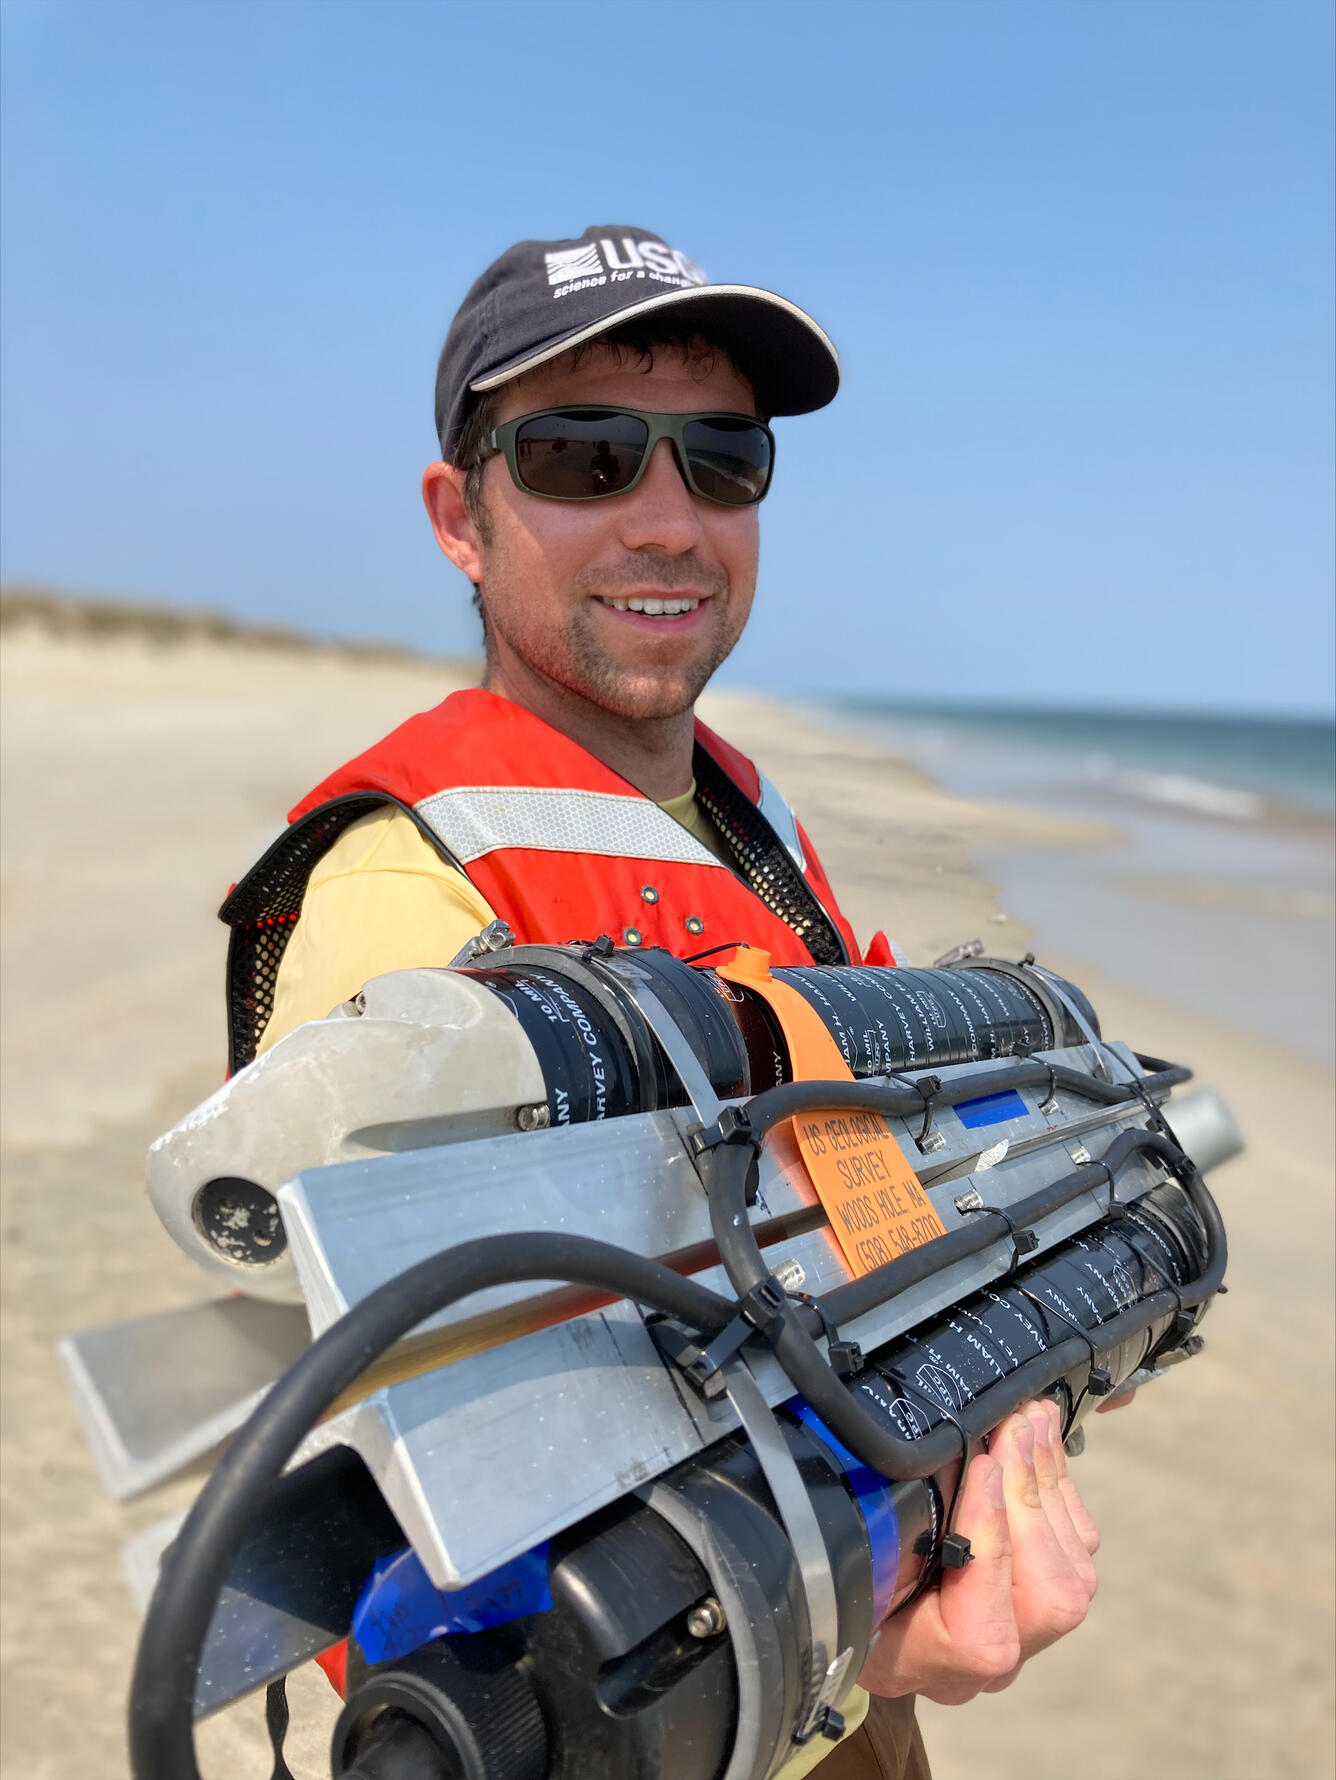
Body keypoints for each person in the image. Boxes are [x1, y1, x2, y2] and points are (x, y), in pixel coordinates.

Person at [224, 225, 1101, 1780]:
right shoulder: (401, 897)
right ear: (461, 517)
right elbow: (458, 1486)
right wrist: (868, 1579)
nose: (666, 520)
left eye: (719, 459)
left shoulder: (749, 832)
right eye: (579, 457)